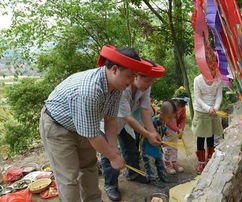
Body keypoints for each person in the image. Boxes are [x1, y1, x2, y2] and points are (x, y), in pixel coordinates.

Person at [39, 45, 160, 202]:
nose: (131, 82)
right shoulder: (90, 91)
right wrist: (113, 157)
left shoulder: (117, 87)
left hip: (82, 127)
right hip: (57, 127)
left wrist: (113, 150)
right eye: (130, 76)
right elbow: (92, 135)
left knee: (89, 167)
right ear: (115, 69)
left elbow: (110, 119)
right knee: (69, 177)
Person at [100, 59, 165, 201]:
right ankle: (111, 184)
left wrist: (152, 131)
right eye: (148, 81)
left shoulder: (144, 88)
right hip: (109, 122)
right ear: (136, 76)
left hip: (125, 122)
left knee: (130, 148)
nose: (150, 85)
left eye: (152, 82)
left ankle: (133, 174)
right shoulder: (122, 88)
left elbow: (145, 109)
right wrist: (148, 134)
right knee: (110, 153)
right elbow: (128, 117)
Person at [192, 74, 224, 174]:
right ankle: (201, 162)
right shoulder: (197, 79)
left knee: (211, 135)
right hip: (201, 111)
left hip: (214, 111)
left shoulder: (218, 79)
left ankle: (210, 158)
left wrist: (216, 107)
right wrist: (207, 108)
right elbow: (198, 97)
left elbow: (219, 95)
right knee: (201, 136)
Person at [141, 100, 177, 187]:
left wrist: (165, 132)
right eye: (169, 118)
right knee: (151, 165)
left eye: (172, 118)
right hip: (148, 149)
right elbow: (150, 135)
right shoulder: (152, 122)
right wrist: (161, 143)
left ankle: (162, 176)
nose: (171, 120)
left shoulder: (163, 121)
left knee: (160, 162)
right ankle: (154, 179)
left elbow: (162, 129)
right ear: (161, 113)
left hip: (157, 148)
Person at [163, 86, 190, 174]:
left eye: (183, 106)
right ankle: (167, 164)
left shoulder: (182, 108)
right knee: (167, 147)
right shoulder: (168, 107)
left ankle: (174, 162)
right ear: (175, 101)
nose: (180, 108)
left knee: (174, 146)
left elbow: (183, 118)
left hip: (175, 130)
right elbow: (167, 122)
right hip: (166, 130)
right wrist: (177, 129)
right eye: (179, 105)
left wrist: (181, 128)